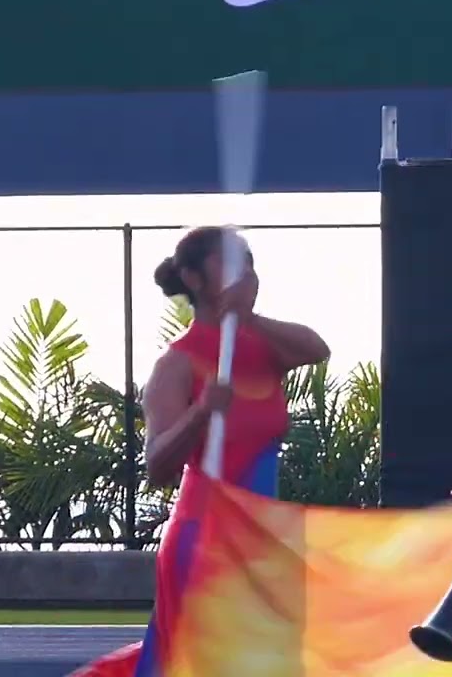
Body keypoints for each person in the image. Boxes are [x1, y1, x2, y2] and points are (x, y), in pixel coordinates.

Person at [73, 225, 331, 677]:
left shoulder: (264, 348)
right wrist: (199, 415)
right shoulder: (176, 363)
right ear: (193, 279)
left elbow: (317, 348)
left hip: (263, 536)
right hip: (205, 533)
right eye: (230, 262)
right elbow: (157, 465)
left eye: (248, 262)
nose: (244, 271)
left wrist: (247, 318)